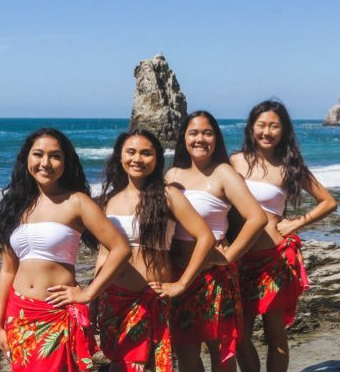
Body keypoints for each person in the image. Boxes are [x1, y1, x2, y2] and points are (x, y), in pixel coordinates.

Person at [0, 128, 131, 372]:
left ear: (66, 162)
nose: (46, 163)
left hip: (56, 312)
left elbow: (120, 249)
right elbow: (7, 270)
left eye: (55, 156)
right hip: (19, 314)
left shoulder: (76, 202)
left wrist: (88, 294)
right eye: (38, 154)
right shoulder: (15, 206)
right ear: (27, 159)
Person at [91, 129, 217, 372]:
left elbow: (205, 238)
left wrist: (180, 284)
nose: (137, 159)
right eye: (131, 152)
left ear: (157, 159)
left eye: (146, 153)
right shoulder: (111, 201)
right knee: (120, 365)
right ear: (120, 157)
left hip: (151, 299)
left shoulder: (168, 195)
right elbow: (104, 254)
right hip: (113, 300)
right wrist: (94, 298)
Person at [230, 100, 337, 372]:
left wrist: (295, 223)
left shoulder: (289, 165)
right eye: (262, 125)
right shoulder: (234, 161)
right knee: (240, 335)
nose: (267, 131)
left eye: (274, 126)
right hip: (239, 259)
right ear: (251, 127)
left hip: (272, 259)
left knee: (275, 333)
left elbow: (328, 202)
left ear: (283, 130)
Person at [165, 110, 267, 372]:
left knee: (220, 352)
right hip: (178, 276)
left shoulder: (222, 173)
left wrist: (229, 255)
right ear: (183, 138)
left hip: (213, 279)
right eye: (194, 133)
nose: (200, 139)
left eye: (207, 133)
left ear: (216, 138)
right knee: (185, 352)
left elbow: (257, 218)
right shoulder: (172, 175)